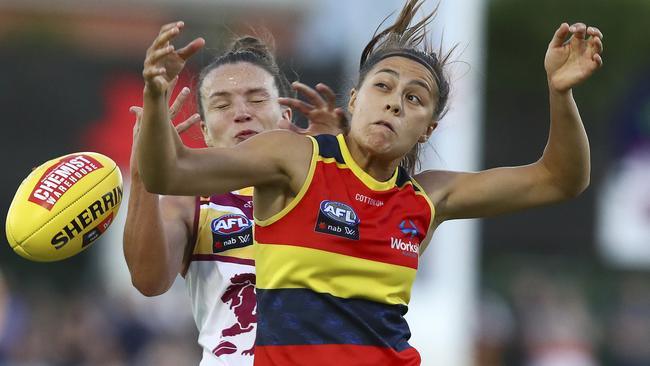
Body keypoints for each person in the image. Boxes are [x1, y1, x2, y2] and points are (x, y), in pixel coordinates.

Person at [136, 0, 604, 364]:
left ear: (428, 129)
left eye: (414, 98)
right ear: (355, 99)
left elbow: (560, 179)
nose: (394, 103)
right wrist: (157, 97)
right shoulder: (294, 158)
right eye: (382, 86)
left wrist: (560, 93)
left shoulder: (428, 197)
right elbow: (169, 172)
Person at [124, 26, 344, 365]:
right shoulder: (192, 202)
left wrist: (337, 167)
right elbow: (148, 281)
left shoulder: (330, 195)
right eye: (221, 104)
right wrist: (143, 171)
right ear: (205, 133)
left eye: (256, 99)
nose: (241, 112)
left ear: (286, 118)